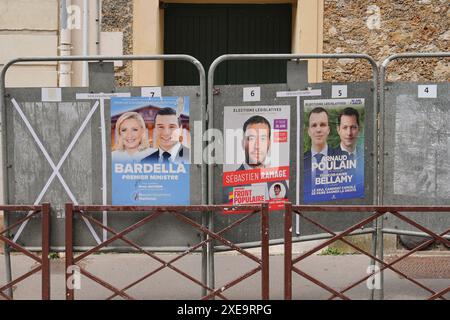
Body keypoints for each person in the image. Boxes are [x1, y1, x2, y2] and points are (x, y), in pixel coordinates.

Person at [304, 107, 334, 197]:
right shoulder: (301, 161)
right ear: (309, 131)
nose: (318, 130)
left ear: (328, 129)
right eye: (314, 125)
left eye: (322, 124)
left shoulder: (342, 157)